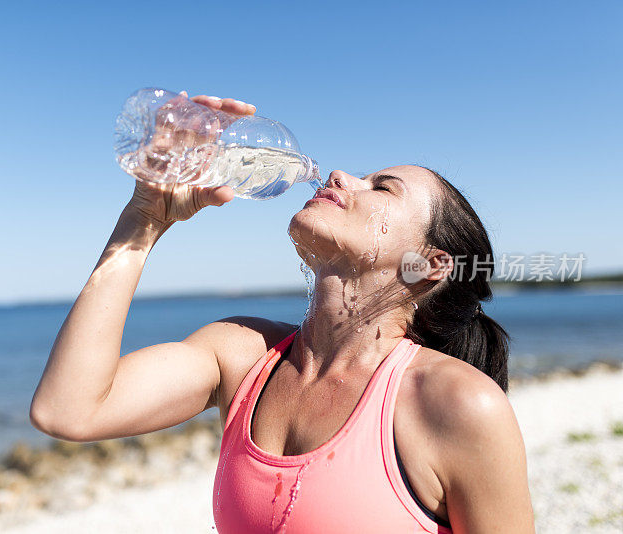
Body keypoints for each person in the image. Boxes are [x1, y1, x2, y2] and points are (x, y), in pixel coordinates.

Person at [29, 95, 535, 533]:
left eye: (382, 188)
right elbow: (68, 409)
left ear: (427, 265)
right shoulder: (244, 355)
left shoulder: (456, 404)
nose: (341, 176)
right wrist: (143, 219)